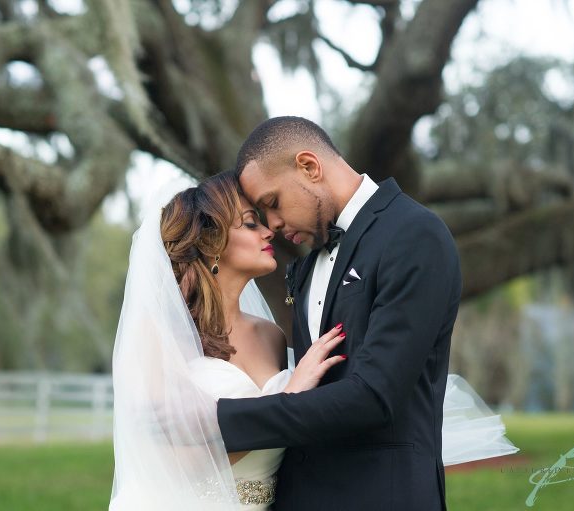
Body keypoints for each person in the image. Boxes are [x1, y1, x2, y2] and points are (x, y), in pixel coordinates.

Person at [109, 154, 516, 509]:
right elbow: (170, 462)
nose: (270, 230)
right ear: (211, 241)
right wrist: (289, 395)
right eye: (252, 222)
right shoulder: (157, 335)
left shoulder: (270, 335)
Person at [213, 116, 516, 510]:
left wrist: (217, 423)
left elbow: (373, 395)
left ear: (309, 166)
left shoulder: (414, 234)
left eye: (272, 203)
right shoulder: (306, 265)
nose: (273, 224)